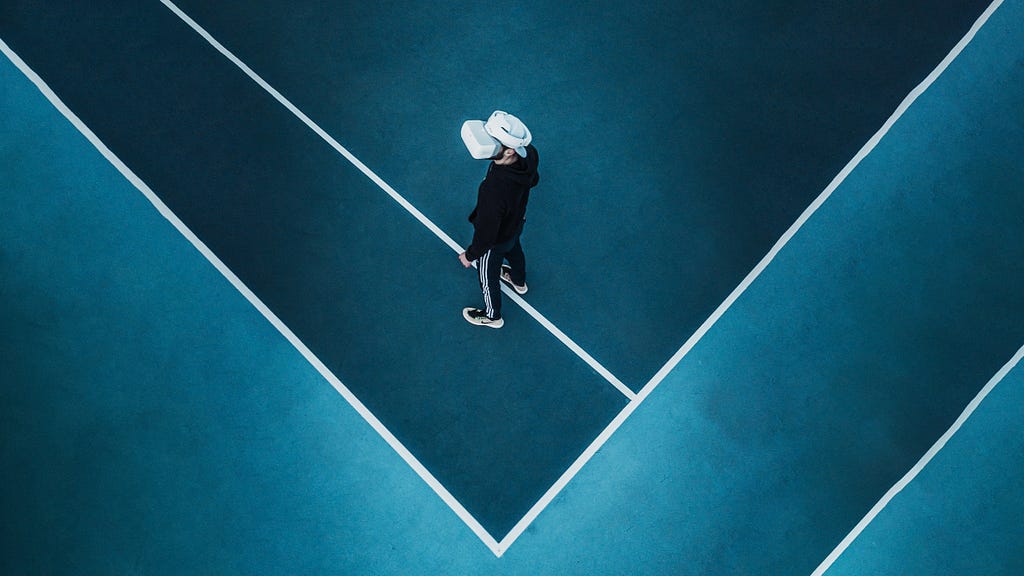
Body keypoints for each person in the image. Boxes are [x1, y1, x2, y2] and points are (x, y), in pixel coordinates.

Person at [458, 110, 539, 328]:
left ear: (510, 151)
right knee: (515, 250)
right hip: (516, 224)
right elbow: (534, 180)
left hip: (494, 242)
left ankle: (493, 316)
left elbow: (486, 234)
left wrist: (470, 255)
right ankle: (518, 281)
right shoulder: (529, 154)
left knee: (488, 278)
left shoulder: (494, 191)